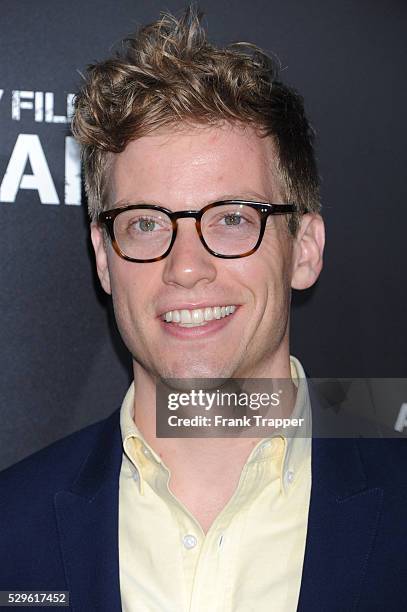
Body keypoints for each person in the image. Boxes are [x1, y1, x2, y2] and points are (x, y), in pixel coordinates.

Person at [0, 6, 406, 611]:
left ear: (306, 250)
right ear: (104, 259)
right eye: (143, 224)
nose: (186, 267)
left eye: (233, 219)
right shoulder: (12, 527)